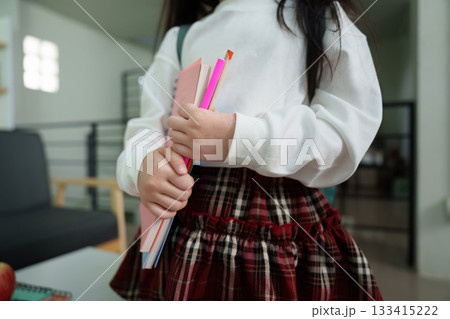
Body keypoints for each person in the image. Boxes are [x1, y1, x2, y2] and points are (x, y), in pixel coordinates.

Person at [110, 0, 383, 301]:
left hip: (278, 213)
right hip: (182, 214)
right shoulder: (181, 37)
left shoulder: (321, 15)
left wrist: (234, 137)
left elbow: (346, 131)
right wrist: (145, 169)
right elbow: (147, 128)